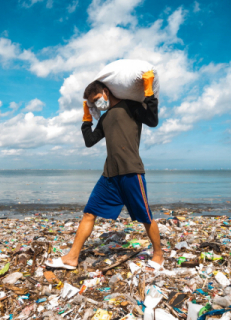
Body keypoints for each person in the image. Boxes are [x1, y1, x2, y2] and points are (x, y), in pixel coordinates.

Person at [46, 70, 165, 271]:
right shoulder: (105, 117)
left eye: (96, 99)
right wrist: (86, 119)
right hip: (109, 174)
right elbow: (89, 141)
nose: (97, 104)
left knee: (145, 216)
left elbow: (152, 120)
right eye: (92, 102)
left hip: (130, 171)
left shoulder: (132, 106)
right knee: (89, 213)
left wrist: (148, 91)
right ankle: (72, 258)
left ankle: (159, 255)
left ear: (105, 91)